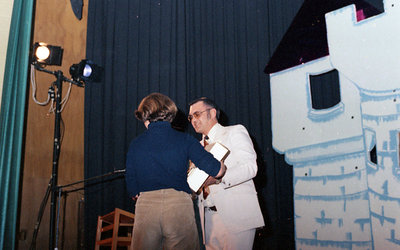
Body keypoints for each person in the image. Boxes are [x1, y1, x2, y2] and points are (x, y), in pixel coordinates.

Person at [125, 93, 226, 250]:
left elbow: (131, 180)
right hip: (178, 206)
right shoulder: (185, 140)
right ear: (170, 115)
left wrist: (137, 194)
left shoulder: (136, 144)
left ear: (145, 118)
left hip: (146, 207)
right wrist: (222, 166)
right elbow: (217, 171)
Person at [188, 97, 265, 250]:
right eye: (190, 117)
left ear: (212, 113)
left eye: (197, 114)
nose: (193, 120)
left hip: (237, 215)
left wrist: (218, 179)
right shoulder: (196, 147)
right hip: (208, 219)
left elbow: (250, 167)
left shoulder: (234, 132)